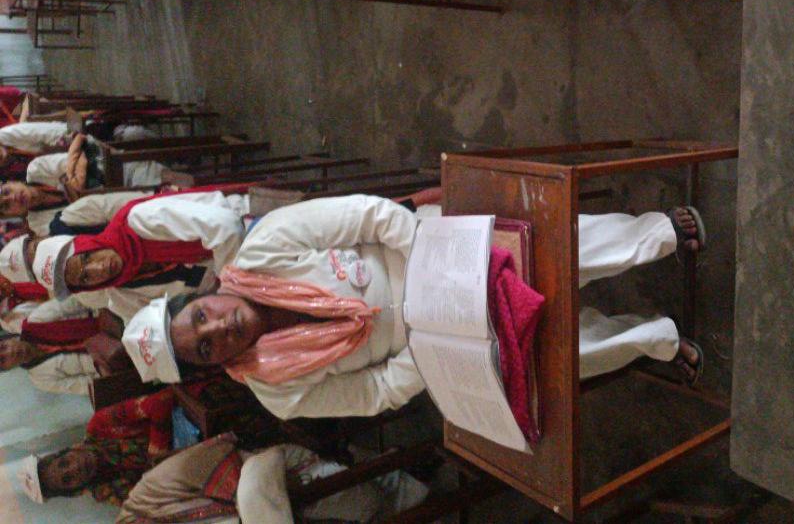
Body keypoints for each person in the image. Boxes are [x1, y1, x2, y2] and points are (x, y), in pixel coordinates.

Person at [123, 193, 704, 420]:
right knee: (543, 361)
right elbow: (374, 392)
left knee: (550, 251)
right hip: (432, 351)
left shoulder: (263, 249)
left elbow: (368, 217)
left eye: (201, 316)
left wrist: (434, 268)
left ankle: (654, 236)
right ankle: (650, 339)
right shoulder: (279, 393)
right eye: (206, 348)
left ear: (201, 296)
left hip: (426, 249)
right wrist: (432, 343)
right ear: (214, 365)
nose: (219, 328)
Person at [114, 432, 431, 524]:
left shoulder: (148, 494)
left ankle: (400, 473)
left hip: (279, 476)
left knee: (366, 502)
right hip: (277, 512)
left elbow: (232, 468)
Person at [29, 188, 247, 301]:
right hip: (240, 259)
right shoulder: (128, 276)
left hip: (248, 223)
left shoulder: (137, 221)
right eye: (86, 278)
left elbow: (226, 226)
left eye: (86, 257)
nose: (98, 268)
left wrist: (230, 288)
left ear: (86, 242)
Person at [17, 388, 175, 507]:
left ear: (66, 451)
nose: (74, 468)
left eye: (64, 463)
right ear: (75, 491)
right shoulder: (106, 491)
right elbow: (158, 499)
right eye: (67, 479)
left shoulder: (100, 426)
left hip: (186, 409)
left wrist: (157, 459)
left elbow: (159, 403)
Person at [0, 329, 99, 393]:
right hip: (105, 363)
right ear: (7, 368)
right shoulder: (41, 380)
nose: (11, 352)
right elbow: (92, 386)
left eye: (3, 347)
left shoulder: (37, 324)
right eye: (3, 360)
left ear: (8, 338)